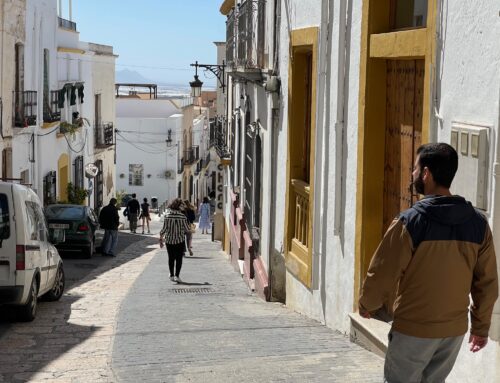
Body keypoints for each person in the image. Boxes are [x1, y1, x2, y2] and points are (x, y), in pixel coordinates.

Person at [358, 143, 498, 383]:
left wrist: (367, 304)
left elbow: (382, 270)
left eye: (415, 168)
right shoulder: (479, 224)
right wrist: (480, 327)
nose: (412, 174)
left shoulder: (410, 222)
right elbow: (487, 282)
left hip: (414, 328)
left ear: (426, 174)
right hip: (452, 331)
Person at [159, 198, 190, 283]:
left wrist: (161, 240)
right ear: (179, 207)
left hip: (169, 241)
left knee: (171, 258)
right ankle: (177, 275)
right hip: (180, 240)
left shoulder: (167, 216)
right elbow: (187, 229)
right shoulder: (183, 217)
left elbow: (163, 230)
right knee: (179, 258)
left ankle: (171, 275)